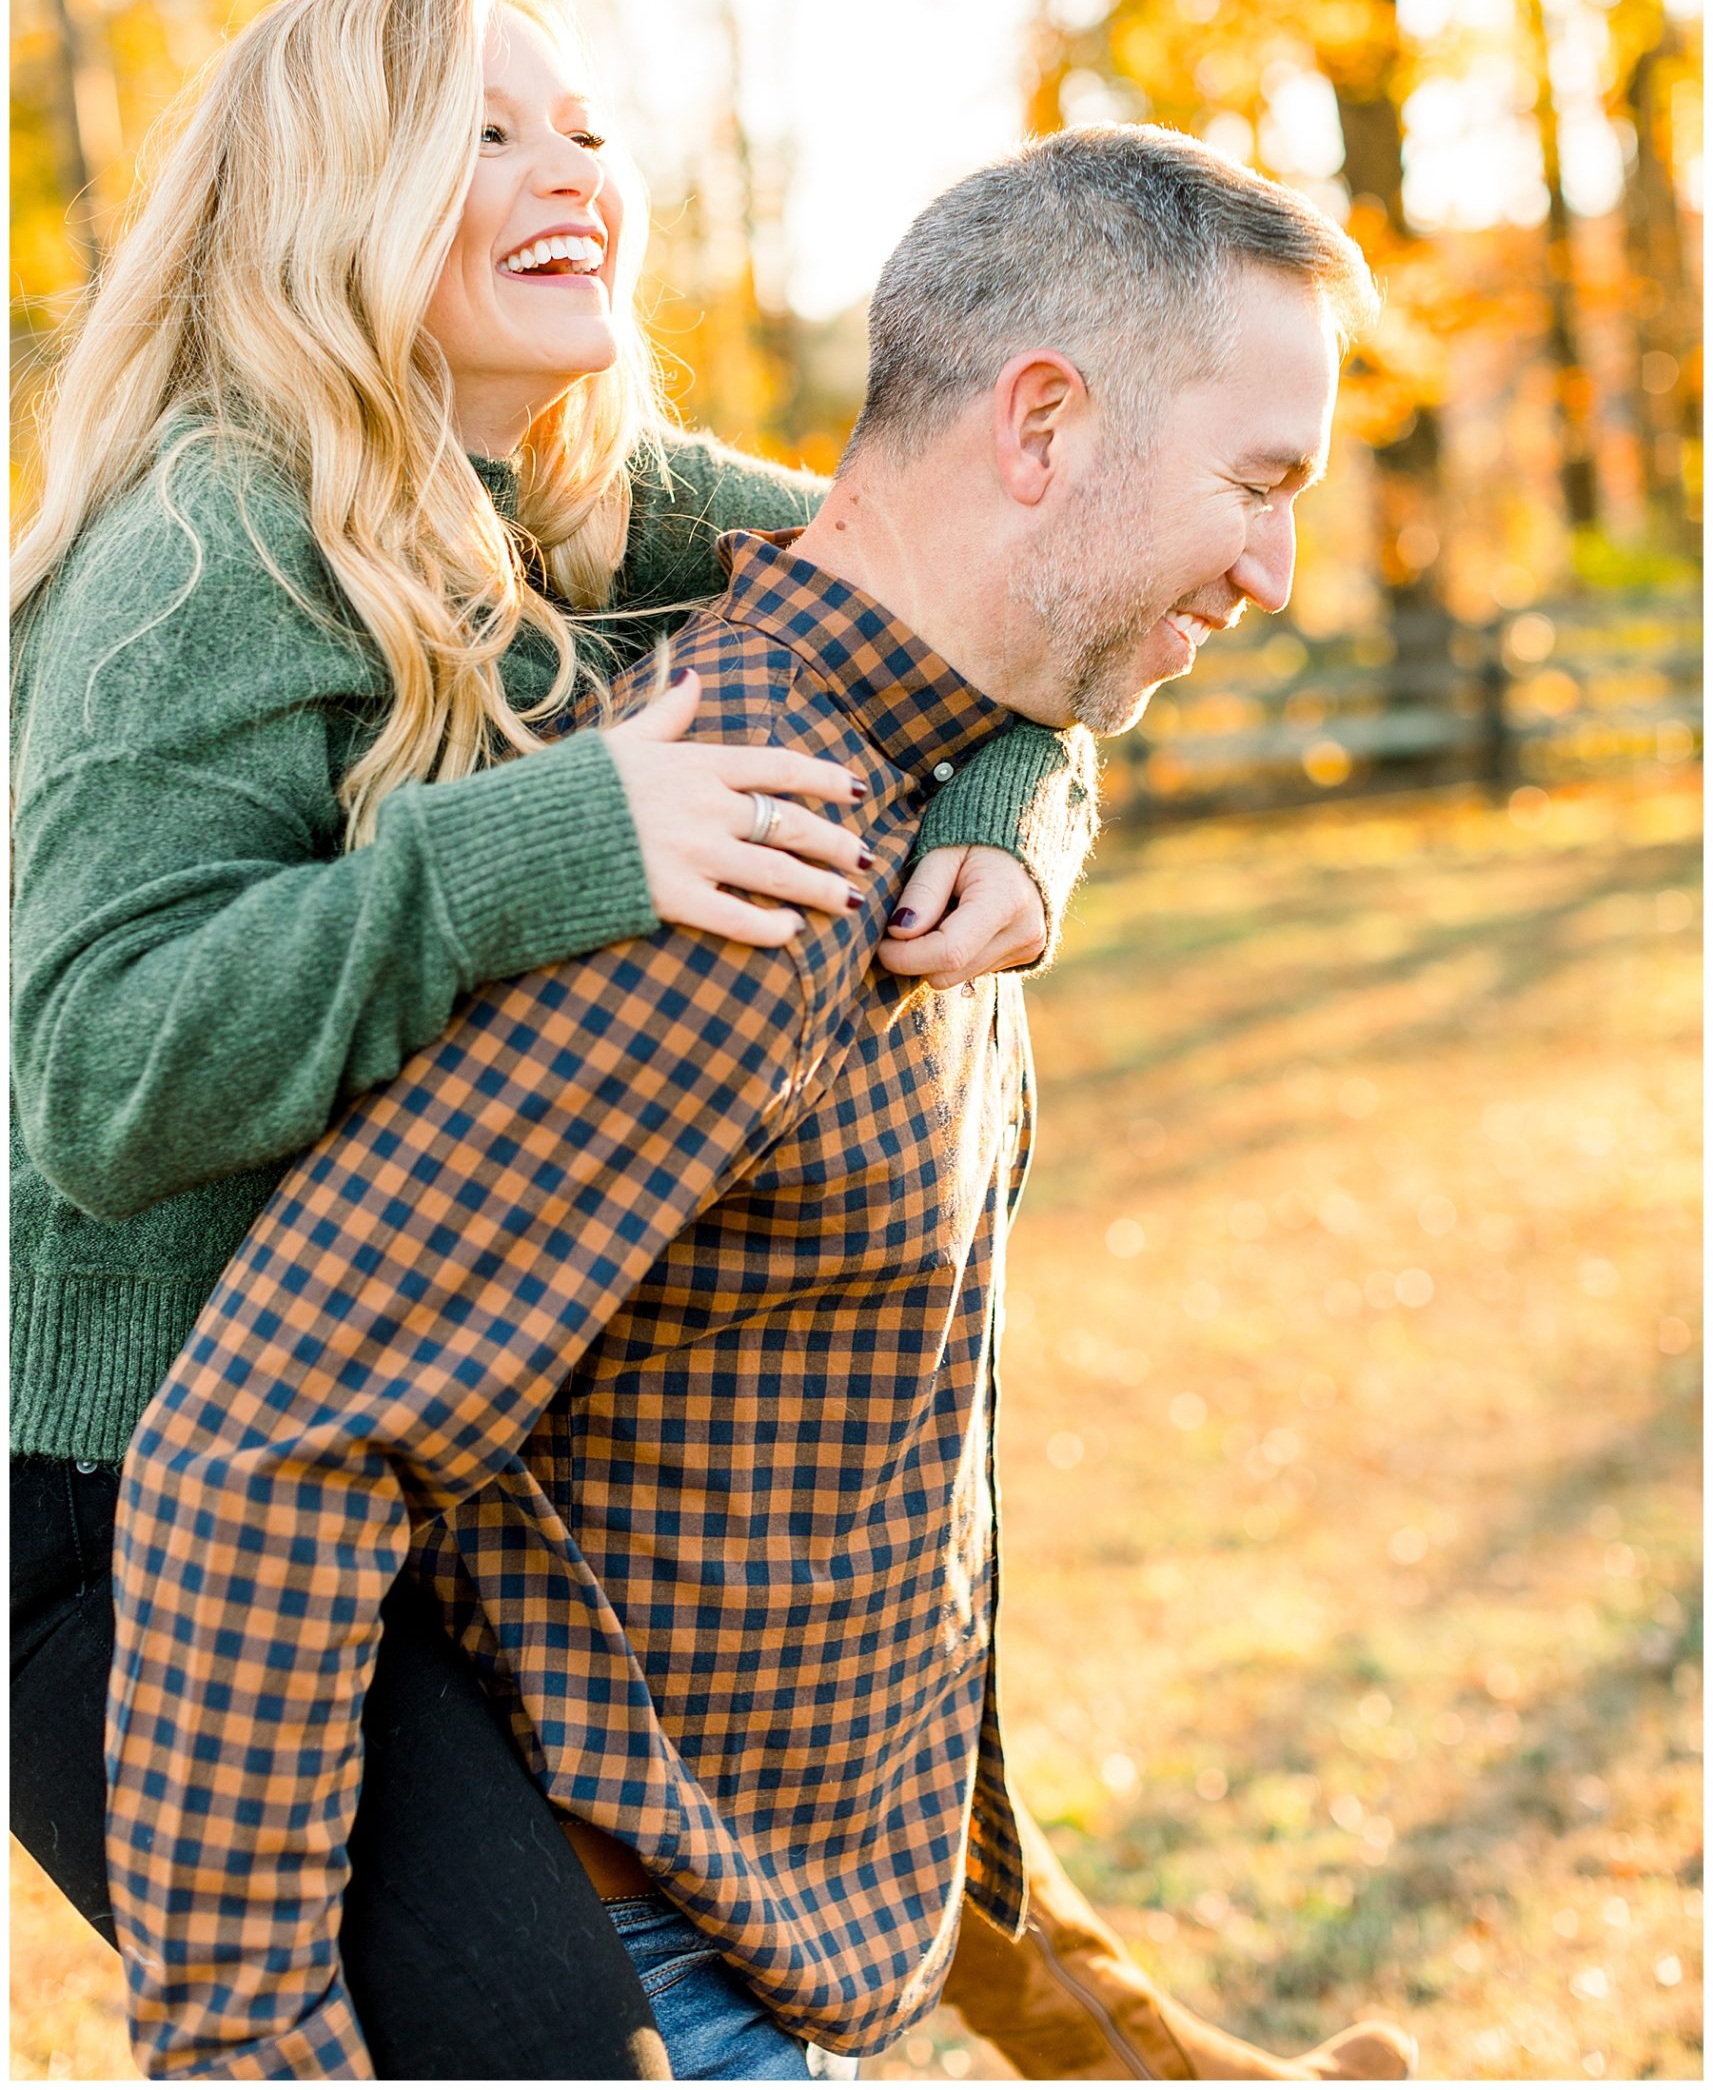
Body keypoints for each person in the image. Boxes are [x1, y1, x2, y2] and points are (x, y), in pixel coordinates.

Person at [103, 121, 1417, 2082]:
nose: (1273, 571)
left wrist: (1024, 790)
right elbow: (266, 1449)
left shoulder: (928, 772)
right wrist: (243, 2050)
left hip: (808, 1903)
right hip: (665, 1977)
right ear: (1039, 422)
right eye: (1254, 484)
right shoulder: (742, 852)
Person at [9, 0, 1093, 2084]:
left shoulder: (594, 498)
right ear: (324, 197)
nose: (569, 171)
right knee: (539, 2046)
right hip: (125, 1498)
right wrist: (552, 840)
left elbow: (962, 600)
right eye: (484, 133)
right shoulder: (203, 549)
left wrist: (1009, 815)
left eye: (586, 130)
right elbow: (101, 1076)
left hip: (415, 1451)